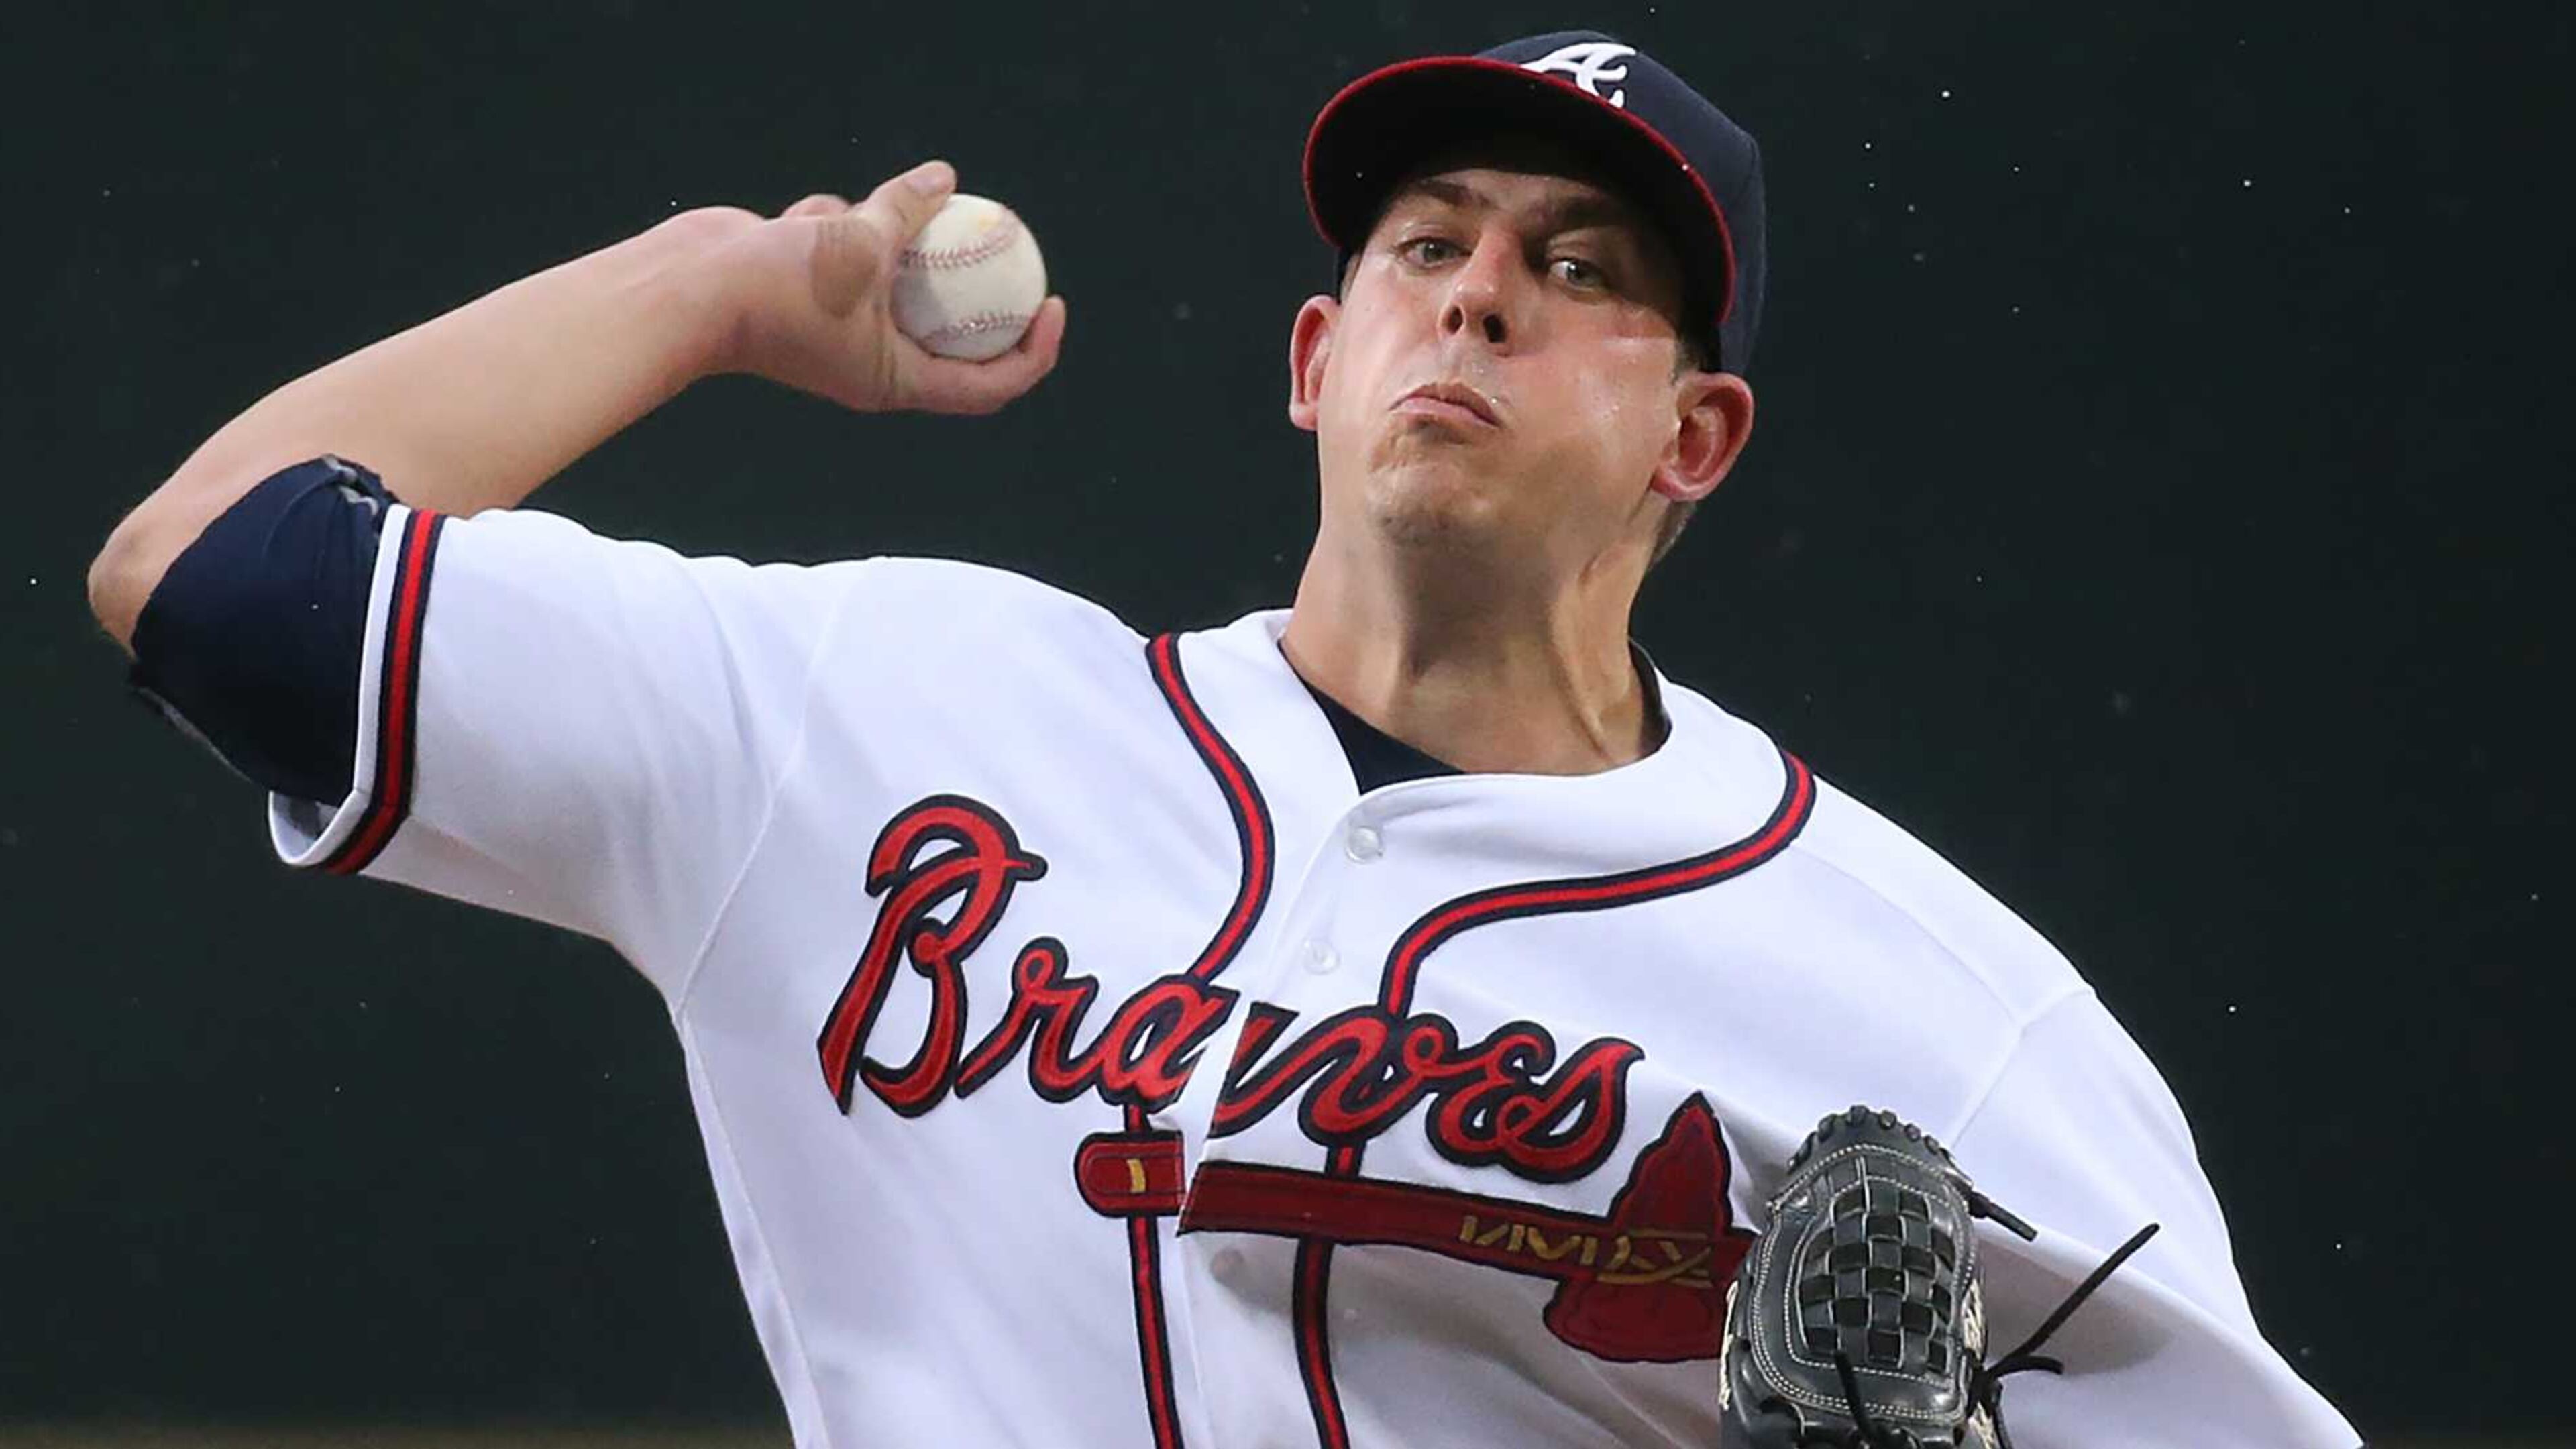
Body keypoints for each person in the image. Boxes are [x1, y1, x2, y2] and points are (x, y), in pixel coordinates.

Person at [84, 29, 2354, 1449]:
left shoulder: (1936, 1014)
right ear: (1314, 360)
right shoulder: (879, 715)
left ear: (1698, 437)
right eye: (1425, 245)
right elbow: (210, 574)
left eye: (1582, 270)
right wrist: (709, 286)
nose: (1479, 292)